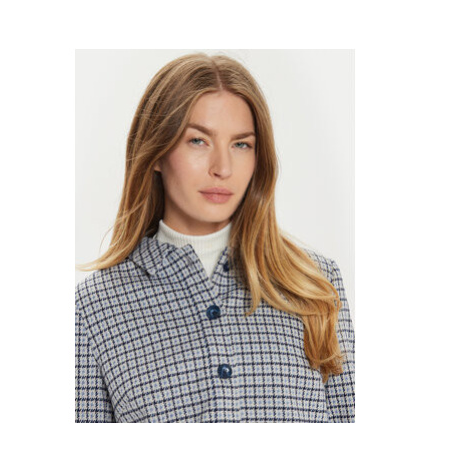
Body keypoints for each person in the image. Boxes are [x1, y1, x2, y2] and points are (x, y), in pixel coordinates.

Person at [75, 52, 355, 423]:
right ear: (155, 152)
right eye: (198, 141)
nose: (222, 168)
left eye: (241, 144)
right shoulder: (93, 310)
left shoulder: (314, 286)